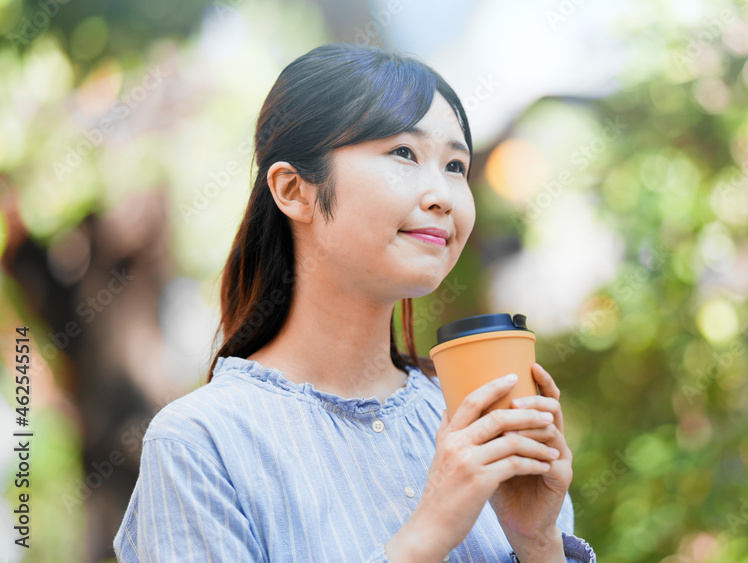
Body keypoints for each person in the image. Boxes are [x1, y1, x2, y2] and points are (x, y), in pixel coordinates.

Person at [113, 42, 597, 562]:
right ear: (295, 190)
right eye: (404, 154)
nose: (443, 196)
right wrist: (428, 533)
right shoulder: (201, 444)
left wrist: (537, 541)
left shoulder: (476, 418)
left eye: (455, 165)